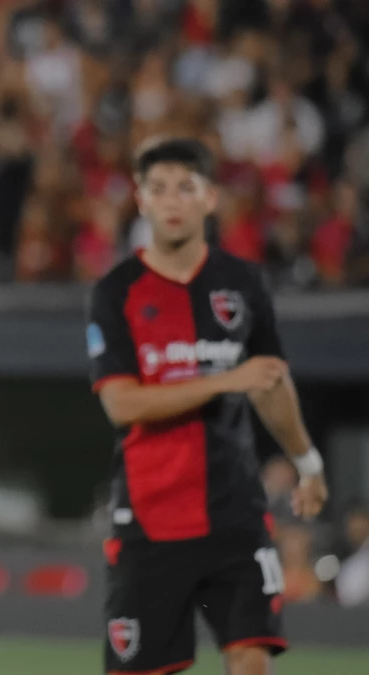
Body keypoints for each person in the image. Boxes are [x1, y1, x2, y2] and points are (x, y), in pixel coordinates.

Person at [86, 137, 329, 675]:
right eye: (158, 188)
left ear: (210, 198)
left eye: (185, 187)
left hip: (235, 511)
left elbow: (269, 382)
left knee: (250, 659)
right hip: (150, 519)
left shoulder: (242, 283)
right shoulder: (116, 291)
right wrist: (224, 380)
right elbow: (122, 404)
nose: (171, 200)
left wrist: (307, 462)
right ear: (141, 200)